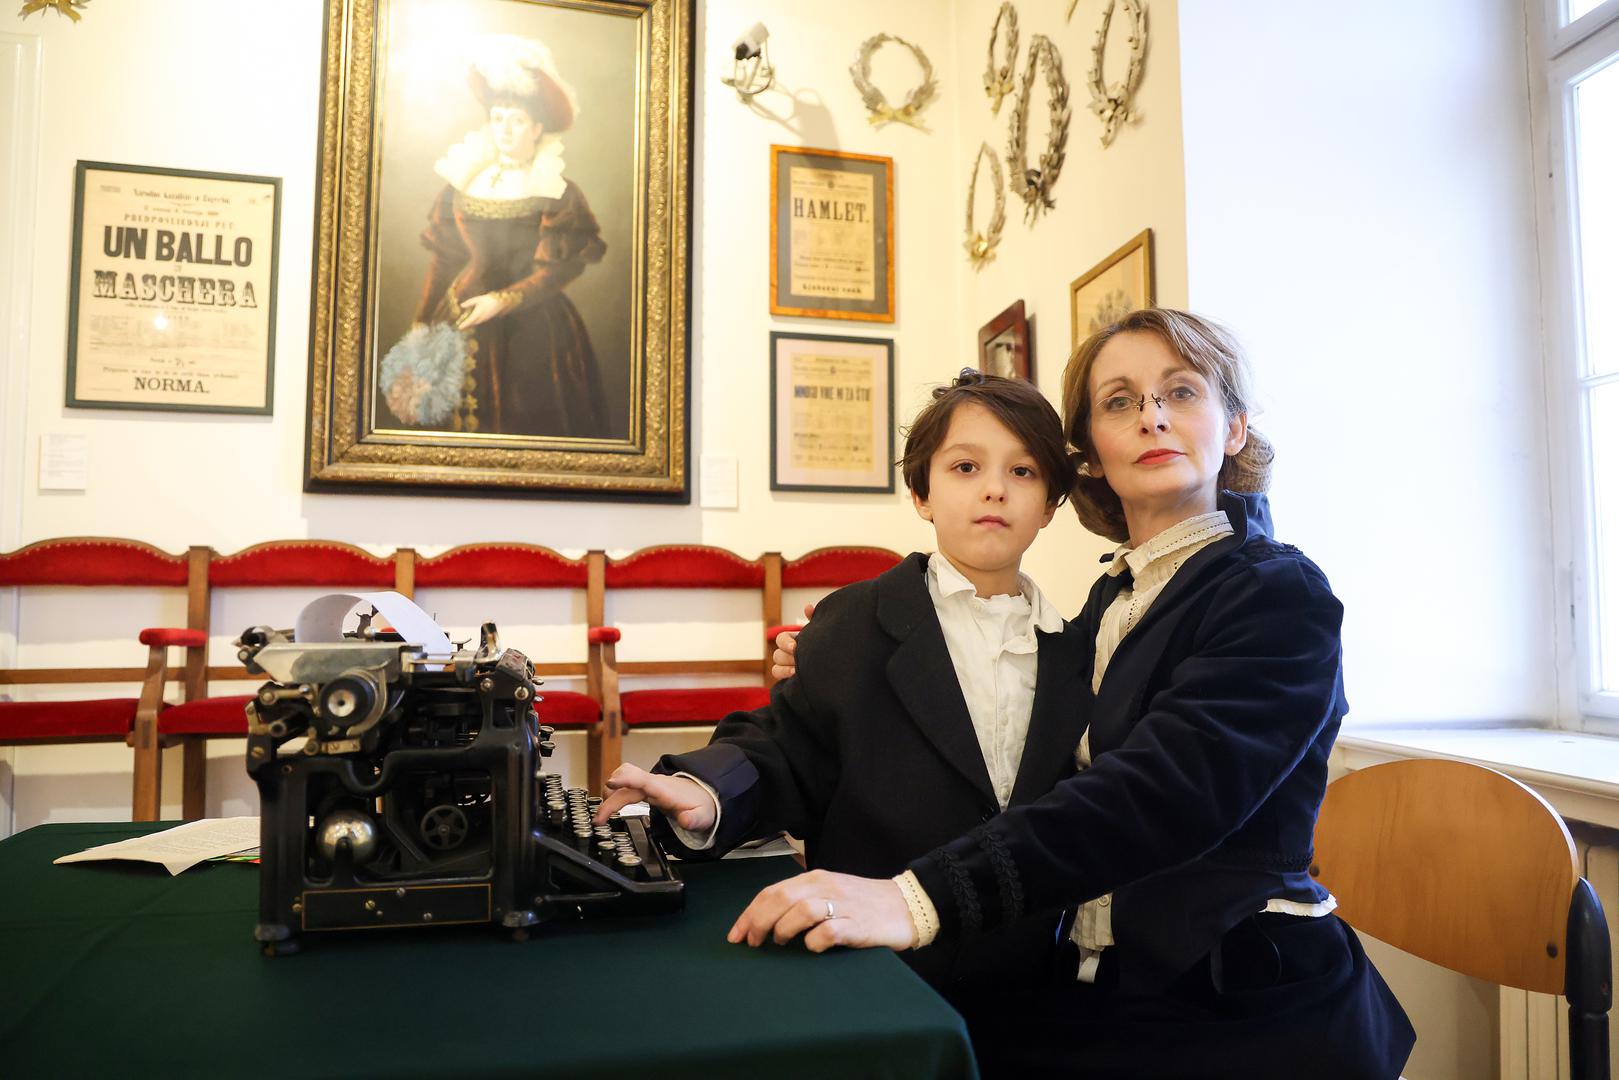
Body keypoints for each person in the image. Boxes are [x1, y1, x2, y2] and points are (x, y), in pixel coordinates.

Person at [752, 309, 1415, 1079]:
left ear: (1233, 428)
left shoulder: (1276, 594)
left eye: (1180, 392)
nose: (1153, 417)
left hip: (1242, 997)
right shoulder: (1106, 605)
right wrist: (843, 668)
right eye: (1119, 402)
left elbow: (1160, 792)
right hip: (1109, 982)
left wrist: (918, 898)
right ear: (1091, 455)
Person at [594, 371, 1090, 997]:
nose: (994, 489)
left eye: (1022, 472)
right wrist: (704, 790)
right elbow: (785, 745)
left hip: (1030, 970)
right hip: (875, 957)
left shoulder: (1078, 649)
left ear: (1050, 504)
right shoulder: (855, 620)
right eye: (966, 468)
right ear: (922, 492)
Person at [380, 34, 610, 438]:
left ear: (537, 128)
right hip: (459, 318)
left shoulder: (557, 191)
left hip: (535, 328)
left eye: (517, 120)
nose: (505, 129)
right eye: (498, 118)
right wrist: (421, 323)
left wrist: (503, 301)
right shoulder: (464, 183)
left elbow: (558, 270)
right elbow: (446, 259)